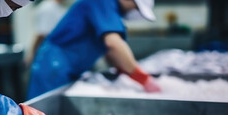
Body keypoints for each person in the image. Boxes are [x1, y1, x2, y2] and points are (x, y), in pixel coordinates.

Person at [27, 0, 161, 100]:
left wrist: (123, 70)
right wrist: (143, 78)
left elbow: (111, 52)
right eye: (135, 7)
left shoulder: (112, 10)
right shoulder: (104, 2)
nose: (132, 11)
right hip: (53, 65)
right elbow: (113, 43)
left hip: (67, 68)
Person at [25, 0, 67, 66]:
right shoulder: (48, 8)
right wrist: (32, 55)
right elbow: (41, 34)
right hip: (48, 56)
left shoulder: (60, 8)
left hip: (57, 55)